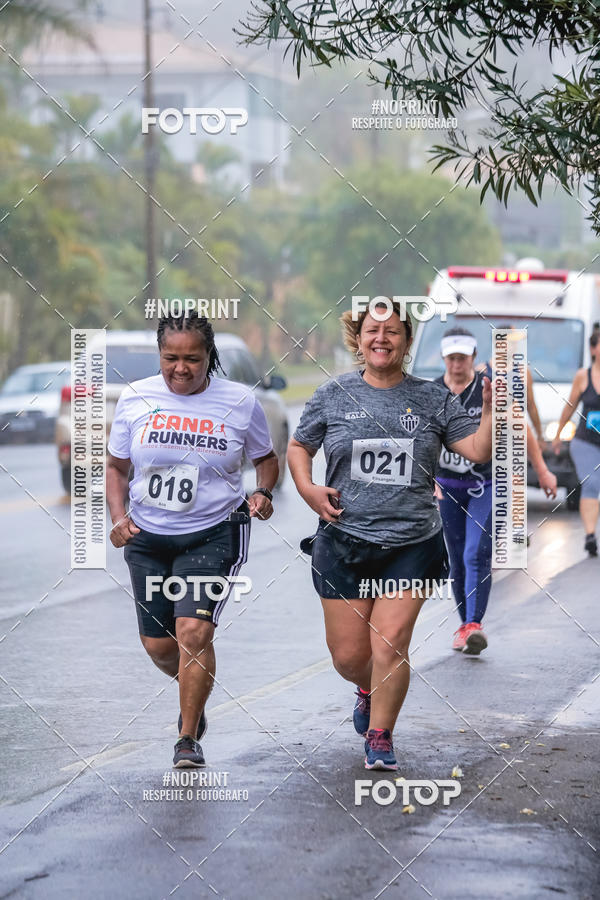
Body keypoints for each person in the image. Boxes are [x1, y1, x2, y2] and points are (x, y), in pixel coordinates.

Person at [288, 300, 494, 771]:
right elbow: (300, 445)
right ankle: (366, 687)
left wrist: (489, 412)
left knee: (390, 644)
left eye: (393, 331)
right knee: (350, 657)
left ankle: (381, 736)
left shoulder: (432, 398)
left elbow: (477, 450)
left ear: (406, 341)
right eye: (372, 330)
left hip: (412, 543)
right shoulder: (333, 394)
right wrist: (307, 488)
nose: (382, 338)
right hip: (345, 539)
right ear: (358, 338)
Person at [106, 312, 278, 767]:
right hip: (147, 535)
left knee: (193, 631)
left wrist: (262, 492)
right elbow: (117, 467)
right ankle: (192, 696)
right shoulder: (135, 398)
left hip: (213, 533)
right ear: (159, 356)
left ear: (209, 357)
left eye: (192, 359)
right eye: (171, 358)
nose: (181, 368)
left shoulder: (240, 401)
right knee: (160, 646)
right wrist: (118, 517)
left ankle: (186, 738)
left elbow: (266, 459)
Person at [435, 327, 557, 657]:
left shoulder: (490, 387)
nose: (457, 363)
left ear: (474, 359)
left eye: (463, 358)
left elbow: (520, 426)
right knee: (457, 558)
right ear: (444, 358)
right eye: (452, 358)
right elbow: (416, 440)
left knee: (476, 552)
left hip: (488, 484)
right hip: (448, 487)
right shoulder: (432, 393)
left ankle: (474, 623)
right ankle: (465, 626)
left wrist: (542, 469)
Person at [553, 331, 600, 556]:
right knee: (592, 484)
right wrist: (558, 434)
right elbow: (570, 406)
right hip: (585, 442)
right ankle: (590, 535)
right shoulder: (584, 376)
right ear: (593, 350)